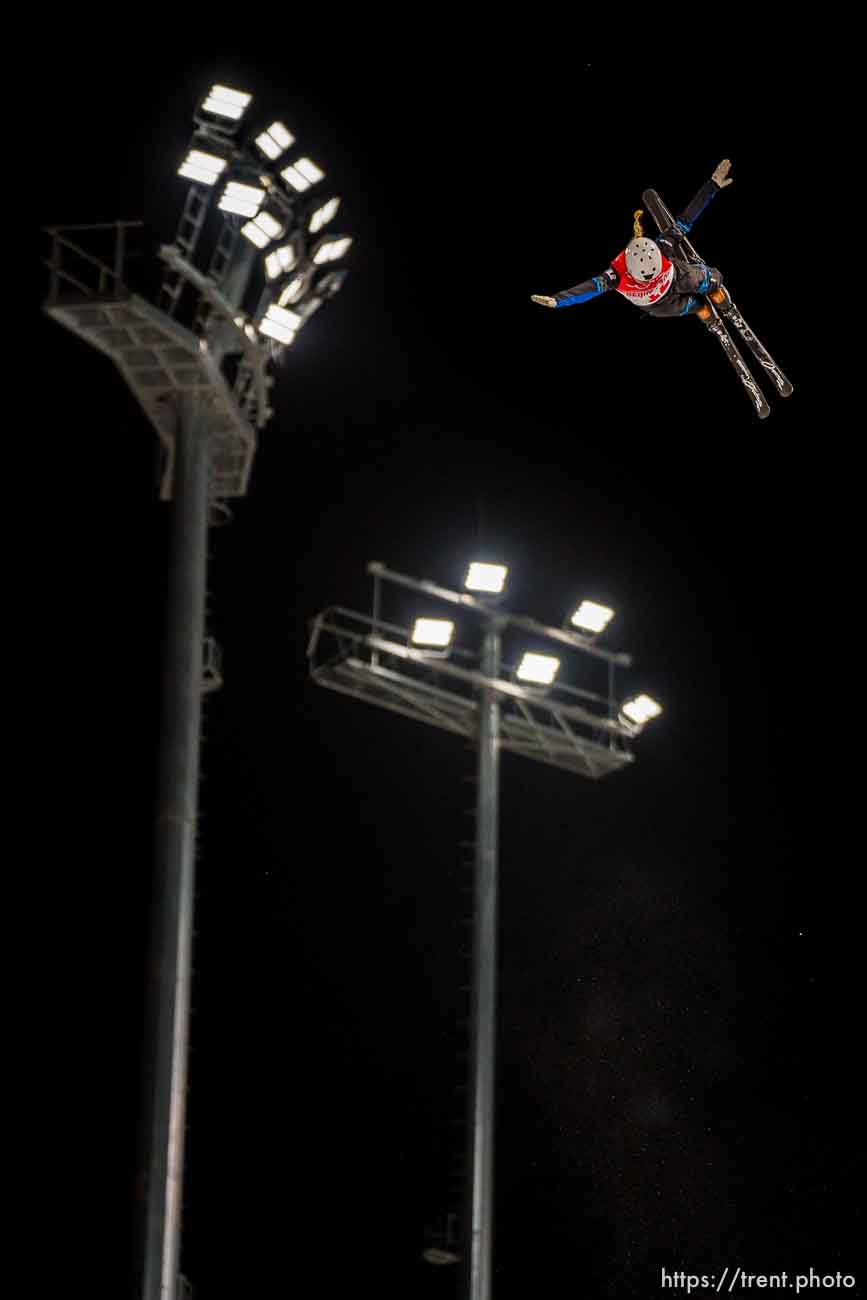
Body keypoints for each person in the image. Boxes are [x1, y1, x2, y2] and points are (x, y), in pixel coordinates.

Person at [531, 160, 734, 320]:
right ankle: (707, 310)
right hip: (660, 303)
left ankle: (714, 302)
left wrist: (712, 185)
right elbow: (586, 290)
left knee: (706, 281)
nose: (649, 278)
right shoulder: (617, 274)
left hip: (673, 284)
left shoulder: (658, 249)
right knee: (696, 298)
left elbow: (686, 218)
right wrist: (557, 301)